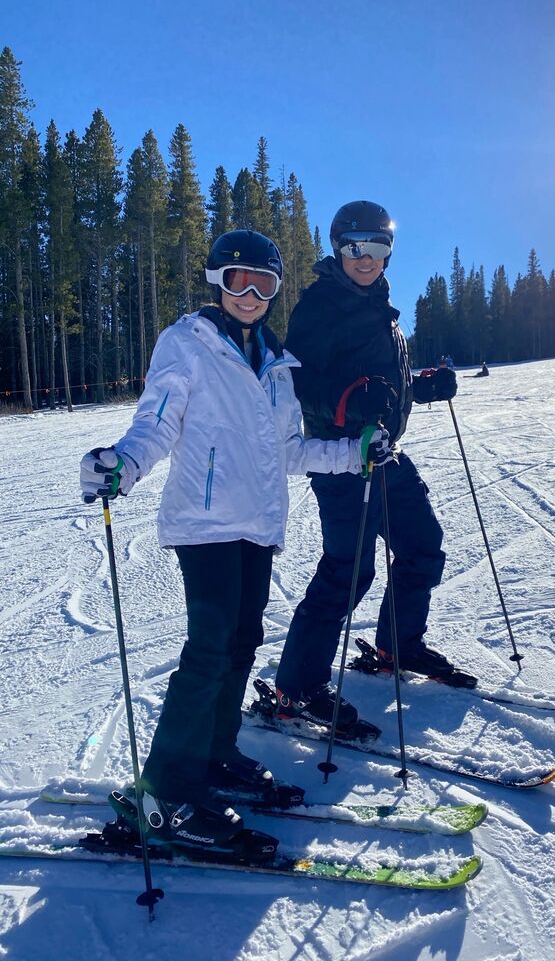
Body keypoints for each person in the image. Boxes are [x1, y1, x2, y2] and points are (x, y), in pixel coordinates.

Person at [78, 229, 391, 850]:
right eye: (238, 280)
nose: (250, 293)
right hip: (206, 523)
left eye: (264, 282)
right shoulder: (187, 345)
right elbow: (157, 424)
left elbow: (290, 452)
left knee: (243, 642)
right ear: (218, 282)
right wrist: (124, 464)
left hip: (256, 525)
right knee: (208, 651)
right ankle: (165, 794)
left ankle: (213, 758)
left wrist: (353, 453)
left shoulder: (275, 364)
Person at [274, 200, 459, 728]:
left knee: (423, 548)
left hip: (386, 455)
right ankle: (298, 688)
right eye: (356, 247)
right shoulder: (320, 306)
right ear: (339, 248)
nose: (366, 257)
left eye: (378, 248)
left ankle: (397, 648)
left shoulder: (380, 305)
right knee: (348, 572)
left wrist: (422, 386)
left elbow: (380, 383)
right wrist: (350, 404)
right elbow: (302, 383)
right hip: (340, 462)